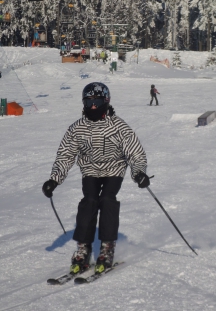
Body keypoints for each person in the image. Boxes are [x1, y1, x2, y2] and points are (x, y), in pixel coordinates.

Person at [42, 82, 150, 275]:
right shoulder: (78, 128)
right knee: (89, 201)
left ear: (106, 101)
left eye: (97, 101)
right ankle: (83, 248)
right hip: (90, 169)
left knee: (107, 200)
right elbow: (66, 154)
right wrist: (54, 180)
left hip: (114, 169)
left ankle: (107, 246)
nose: (93, 106)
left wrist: (139, 172)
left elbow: (135, 153)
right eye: (89, 101)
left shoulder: (118, 126)